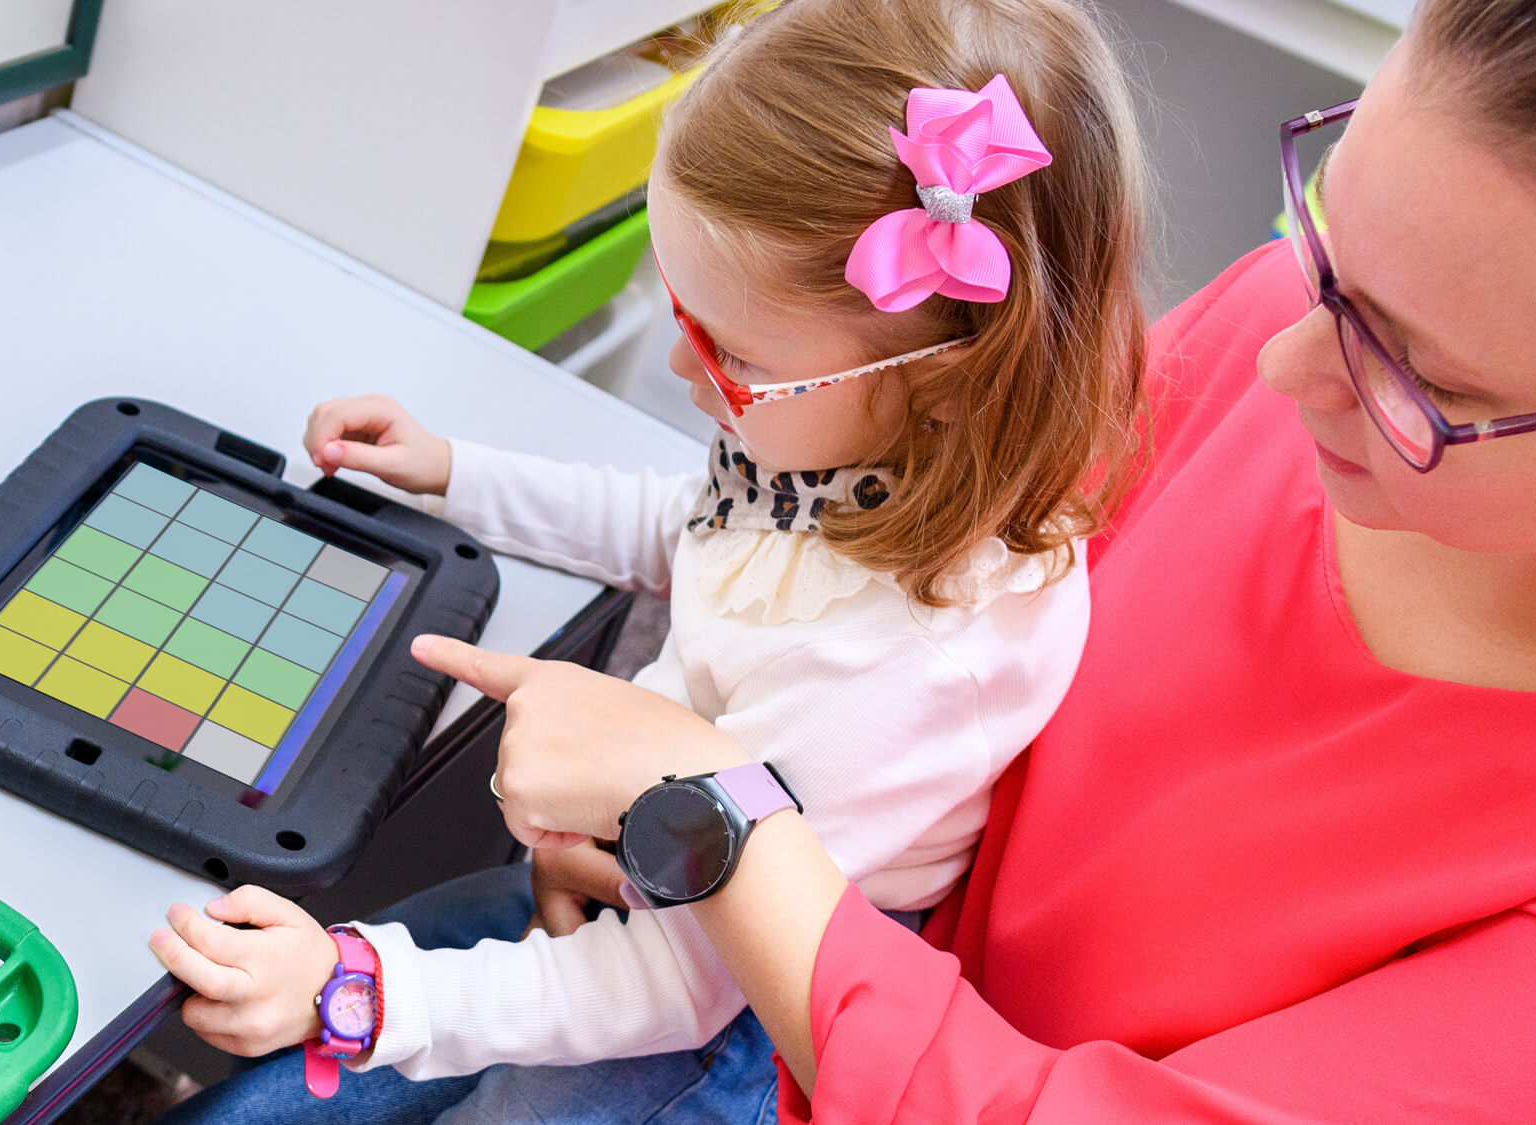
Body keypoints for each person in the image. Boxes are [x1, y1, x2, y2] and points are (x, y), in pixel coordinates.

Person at [397, 0, 1536, 1120]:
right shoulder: (1306, 336)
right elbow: (907, 538)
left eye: (1419, 378)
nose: (1277, 365)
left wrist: (711, 826)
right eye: (1317, 239)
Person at [150, 0, 1149, 1119]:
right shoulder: (846, 444)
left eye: (731, 353)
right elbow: (686, 530)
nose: (680, 361)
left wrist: (352, 993)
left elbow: (677, 984)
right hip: (640, 868)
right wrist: (454, 473)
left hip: (706, 1020)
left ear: (940, 384)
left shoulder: (909, 661)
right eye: (678, 306)